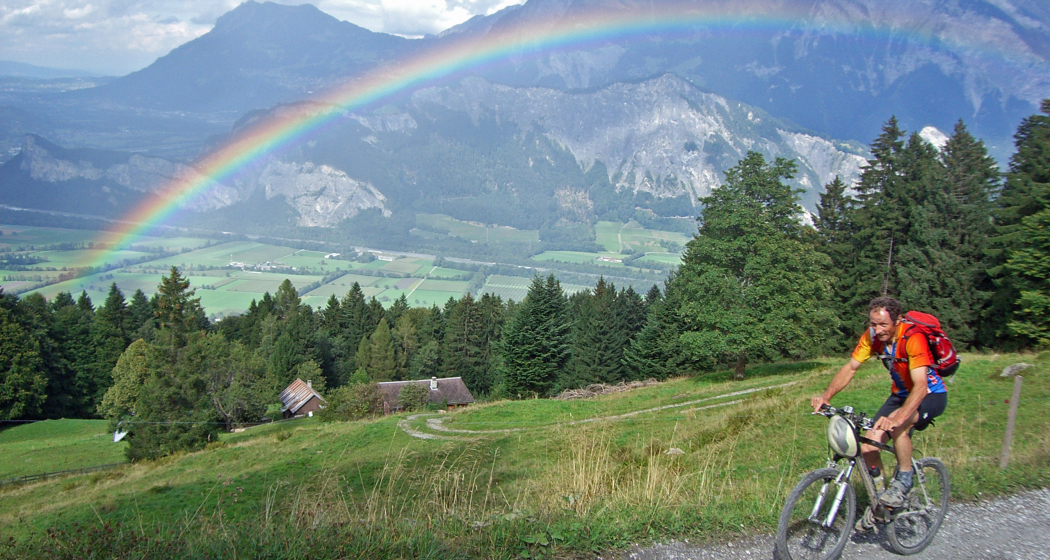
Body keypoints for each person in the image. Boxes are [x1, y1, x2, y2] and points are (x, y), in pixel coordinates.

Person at [811, 296, 948, 509]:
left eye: (884, 324)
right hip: (900, 395)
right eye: (873, 324)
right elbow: (851, 367)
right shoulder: (872, 337)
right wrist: (826, 397)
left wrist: (899, 417)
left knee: (898, 424)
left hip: (931, 394)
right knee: (868, 446)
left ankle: (904, 479)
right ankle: (882, 501)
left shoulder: (913, 337)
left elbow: (921, 385)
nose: (878, 329)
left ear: (898, 321)